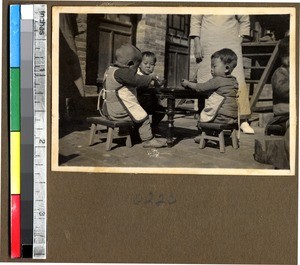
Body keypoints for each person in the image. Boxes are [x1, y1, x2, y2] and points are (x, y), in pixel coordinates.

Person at [190, 15, 254, 133]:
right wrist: (197, 44)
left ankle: (242, 119)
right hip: (207, 42)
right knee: (207, 77)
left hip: (230, 41)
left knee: (237, 77)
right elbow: (195, 20)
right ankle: (205, 117)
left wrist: (240, 38)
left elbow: (244, 18)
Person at [99, 44, 166, 148]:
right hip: (119, 110)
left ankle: (127, 132)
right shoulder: (123, 72)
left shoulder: (110, 69)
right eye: (137, 65)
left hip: (107, 108)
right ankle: (148, 140)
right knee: (143, 115)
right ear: (130, 63)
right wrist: (151, 77)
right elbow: (138, 81)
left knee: (136, 109)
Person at [181, 48, 238, 125]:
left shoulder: (218, 80)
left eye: (214, 66)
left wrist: (188, 83)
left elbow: (201, 87)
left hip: (221, 116)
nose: (211, 70)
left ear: (226, 68)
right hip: (233, 116)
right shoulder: (233, 81)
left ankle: (206, 132)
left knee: (202, 119)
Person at [136, 51, 165, 133]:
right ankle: (138, 130)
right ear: (139, 64)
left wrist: (158, 86)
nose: (148, 66)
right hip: (139, 103)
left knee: (161, 111)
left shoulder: (154, 75)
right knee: (142, 115)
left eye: (151, 64)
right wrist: (149, 78)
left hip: (151, 102)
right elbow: (139, 84)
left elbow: (158, 87)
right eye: (145, 63)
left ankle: (154, 126)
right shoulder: (137, 74)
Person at [267, 36, 289, 132]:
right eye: (286, 55)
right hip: (284, 114)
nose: (289, 58)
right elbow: (281, 91)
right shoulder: (280, 72)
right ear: (281, 56)